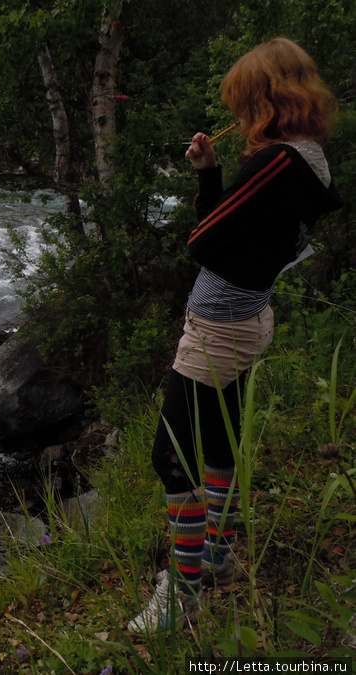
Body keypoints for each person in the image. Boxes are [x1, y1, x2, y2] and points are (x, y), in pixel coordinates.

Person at [128, 37, 344, 634]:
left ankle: (183, 593)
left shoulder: (274, 163)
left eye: (244, 102)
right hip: (250, 318)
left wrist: (213, 189)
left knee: (170, 457)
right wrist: (211, 175)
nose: (240, 116)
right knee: (219, 442)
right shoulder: (308, 159)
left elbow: (202, 241)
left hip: (219, 326)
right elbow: (229, 229)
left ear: (267, 99)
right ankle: (217, 558)